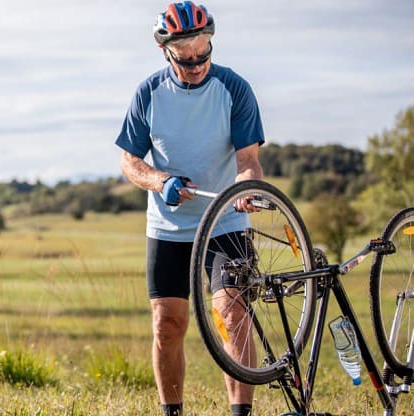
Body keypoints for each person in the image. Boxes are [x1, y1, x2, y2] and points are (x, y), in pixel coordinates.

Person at [114, 2, 265, 416]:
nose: (197, 64)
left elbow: (248, 159)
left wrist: (244, 185)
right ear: (166, 52)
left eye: (204, 54)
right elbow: (129, 161)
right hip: (168, 225)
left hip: (224, 219)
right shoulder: (149, 93)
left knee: (233, 313)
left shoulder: (234, 88)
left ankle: (241, 414)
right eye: (186, 58)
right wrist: (159, 181)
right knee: (168, 324)